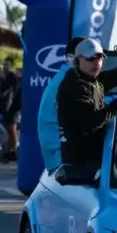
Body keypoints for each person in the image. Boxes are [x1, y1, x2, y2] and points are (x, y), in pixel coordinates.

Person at [56, 38, 117, 169]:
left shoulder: (93, 80)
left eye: (99, 58)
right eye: (90, 59)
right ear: (77, 61)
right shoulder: (74, 86)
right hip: (80, 166)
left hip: (97, 157)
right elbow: (92, 122)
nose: (96, 63)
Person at [39, 36, 86, 173]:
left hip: (61, 160)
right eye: (88, 57)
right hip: (64, 163)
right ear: (71, 58)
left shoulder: (68, 79)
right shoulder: (69, 83)